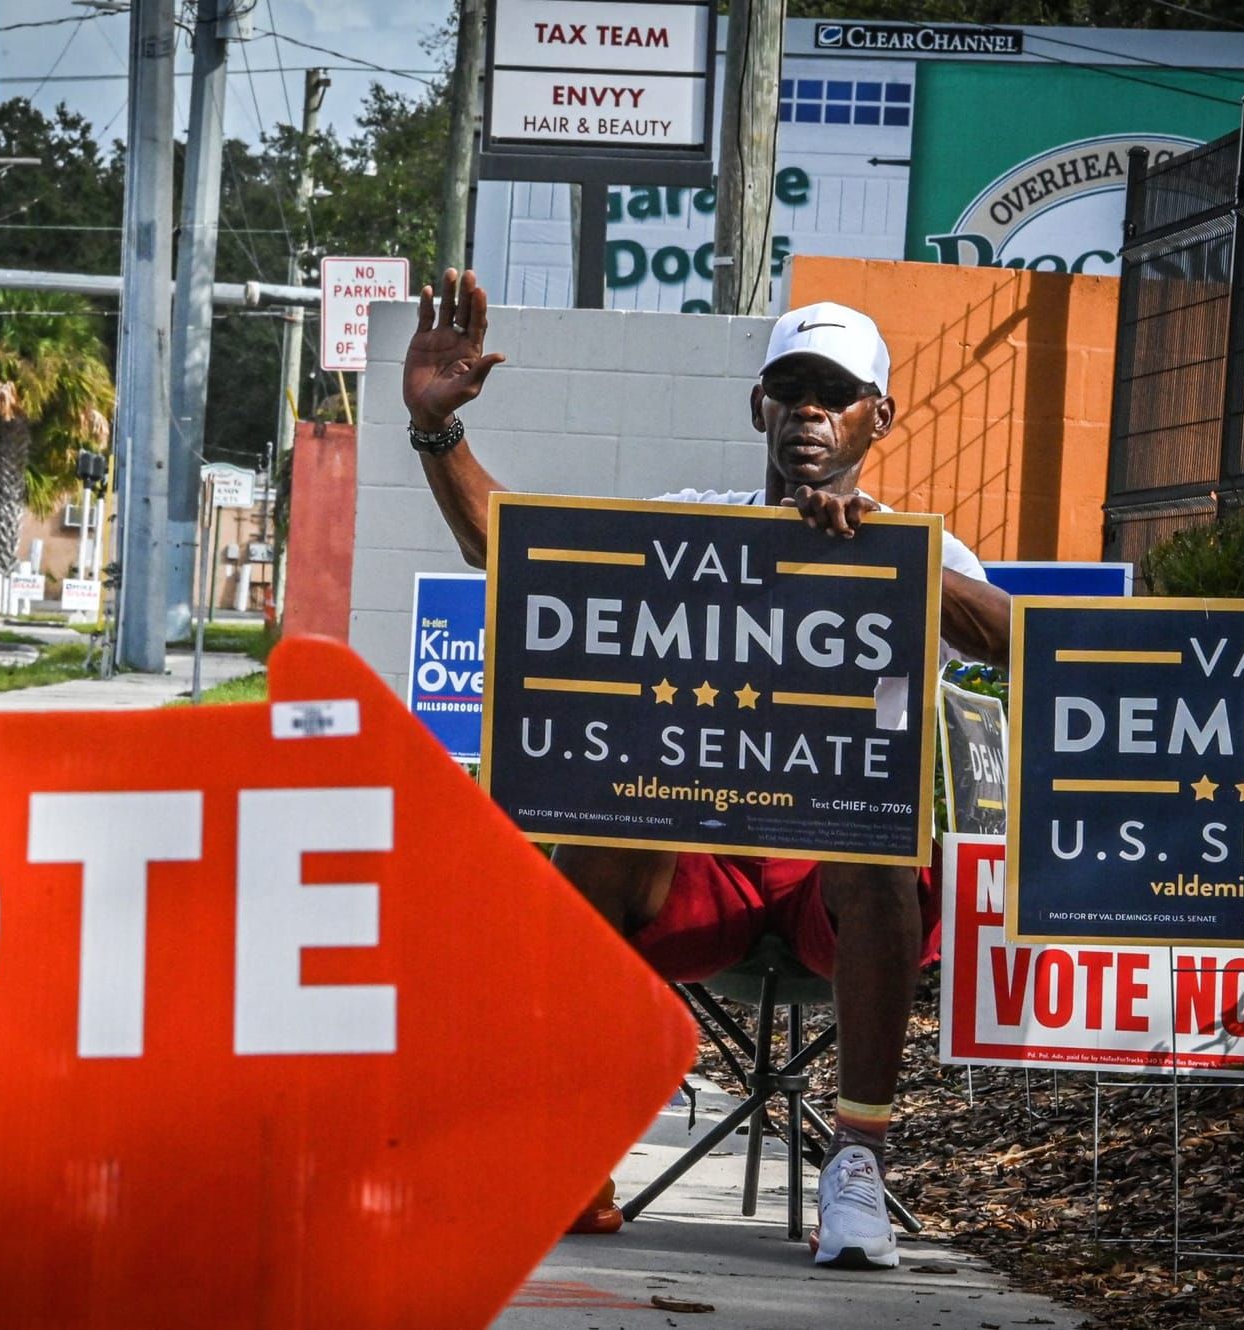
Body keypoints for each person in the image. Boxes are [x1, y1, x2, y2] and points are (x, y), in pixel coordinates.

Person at [400, 269, 1011, 1269]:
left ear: (879, 416)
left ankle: (857, 1160)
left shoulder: (917, 545)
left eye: (835, 394)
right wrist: (438, 429)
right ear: (758, 405)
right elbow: (509, 551)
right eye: (791, 390)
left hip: (836, 899)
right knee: (604, 821)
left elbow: (1017, 643)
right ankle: (573, 1138)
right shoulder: (694, 522)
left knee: (877, 839)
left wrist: (887, 565)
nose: (810, 411)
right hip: (701, 872)